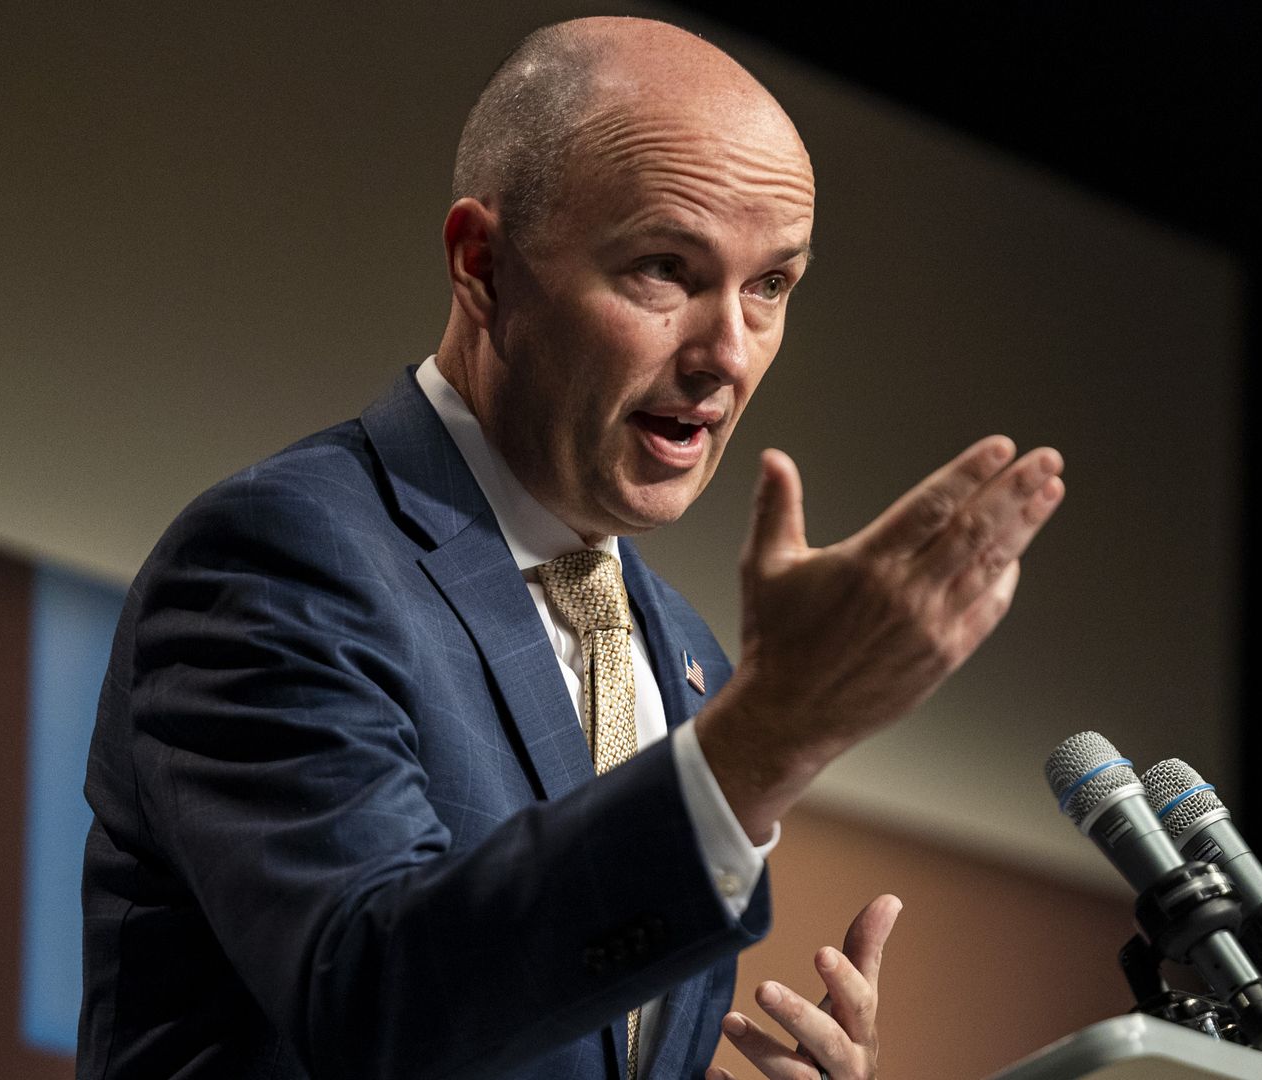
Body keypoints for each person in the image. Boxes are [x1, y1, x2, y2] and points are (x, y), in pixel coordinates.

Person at [78, 16, 1064, 1080]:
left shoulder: (681, 652)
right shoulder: (285, 559)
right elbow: (377, 1001)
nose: (727, 353)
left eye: (771, 285)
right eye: (664, 268)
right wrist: (763, 743)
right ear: (482, 265)